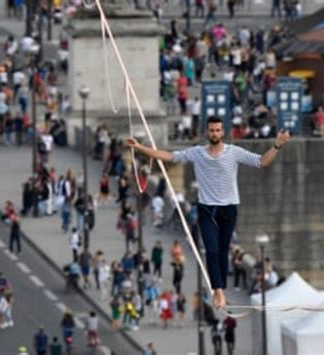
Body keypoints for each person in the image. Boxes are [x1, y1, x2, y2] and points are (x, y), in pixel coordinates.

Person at [124, 116, 290, 308]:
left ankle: (222, 289)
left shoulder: (234, 152)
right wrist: (140, 148)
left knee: (222, 251)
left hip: (228, 208)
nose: (214, 133)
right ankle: (218, 292)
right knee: (211, 250)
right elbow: (168, 156)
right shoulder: (197, 153)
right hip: (207, 208)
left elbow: (262, 162)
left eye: (218, 130)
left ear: (222, 132)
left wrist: (277, 145)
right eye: (211, 130)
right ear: (207, 133)